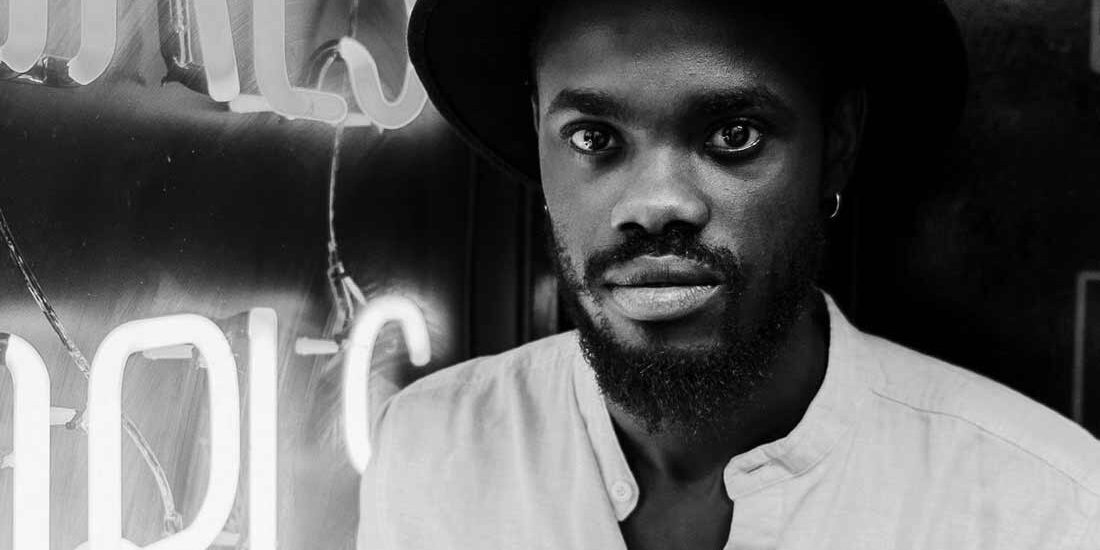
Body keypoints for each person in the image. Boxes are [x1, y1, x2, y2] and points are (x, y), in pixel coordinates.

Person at [358, 0, 1100, 548]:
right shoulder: (432, 445)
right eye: (594, 137)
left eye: (732, 135)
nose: (654, 206)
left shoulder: (1043, 505)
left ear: (836, 146)